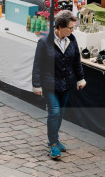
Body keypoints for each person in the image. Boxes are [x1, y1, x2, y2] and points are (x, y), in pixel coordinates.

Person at [32, 10, 86, 160]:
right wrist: (36, 85)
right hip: (49, 83)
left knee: (60, 113)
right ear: (60, 27)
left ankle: (53, 138)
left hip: (66, 83)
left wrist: (80, 78)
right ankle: (54, 144)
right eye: (70, 27)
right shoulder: (44, 41)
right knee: (54, 111)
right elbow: (37, 65)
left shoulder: (71, 39)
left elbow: (76, 60)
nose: (72, 30)